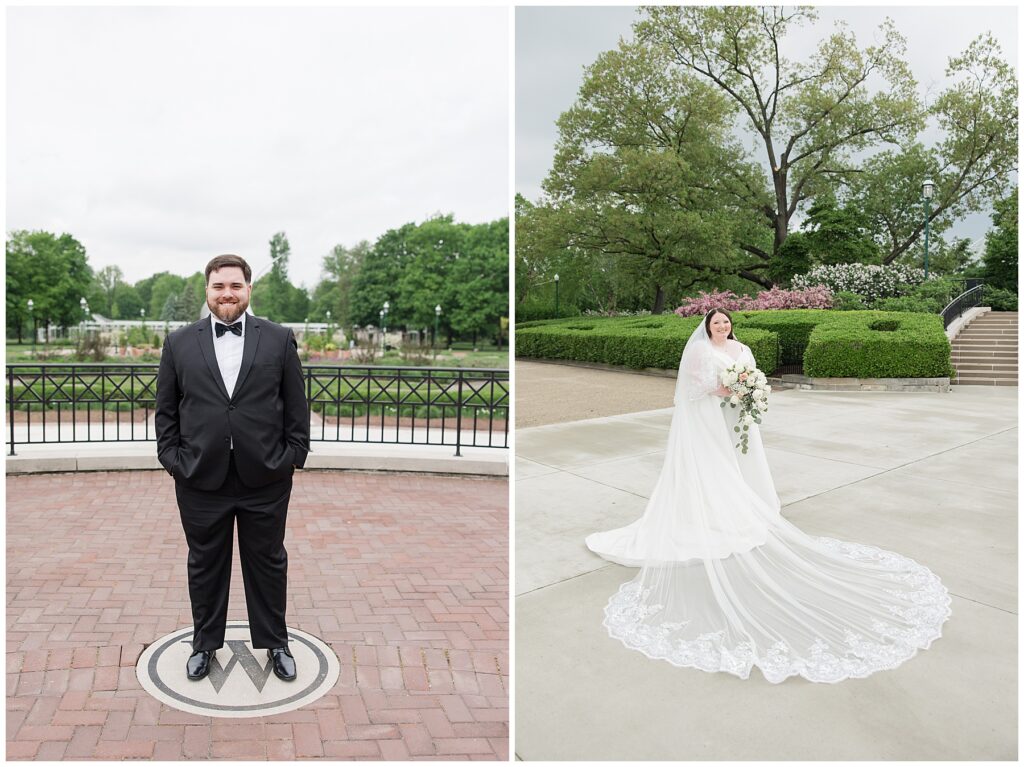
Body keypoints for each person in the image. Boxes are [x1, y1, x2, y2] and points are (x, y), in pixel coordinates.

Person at [585, 308, 950, 683]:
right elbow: (691, 386)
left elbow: (753, 376)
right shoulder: (698, 351)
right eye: (716, 323)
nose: (722, 327)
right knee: (714, 467)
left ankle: (745, 507)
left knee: (740, 464)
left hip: (737, 417)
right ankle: (709, 514)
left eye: (725, 322)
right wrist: (724, 389)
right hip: (710, 416)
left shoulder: (741, 347)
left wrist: (749, 392)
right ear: (707, 327)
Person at [156, 254, 310, 682]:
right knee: (204, 564)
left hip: (266, 477)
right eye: (219, 286)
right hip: (200, 478)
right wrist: (173, 460)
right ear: (207, 290)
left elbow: (296, 405)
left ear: (248, 289)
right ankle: (204, 644)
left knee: (268, 561)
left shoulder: (278, 339)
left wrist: (292, 456)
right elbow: (166, 411)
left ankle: (276, 642)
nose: (227, 293)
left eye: (235, 286)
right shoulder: (178, 343)